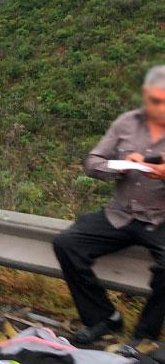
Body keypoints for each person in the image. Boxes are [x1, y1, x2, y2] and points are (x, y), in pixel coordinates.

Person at [54, 65, 165, 347]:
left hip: (160, 219)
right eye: (155, 101)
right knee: (67, 244)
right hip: (120, 214)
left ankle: (145, 335)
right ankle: (103, 319)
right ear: (146, 96)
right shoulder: (126, 123)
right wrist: (120, 166)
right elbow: (92, 162)